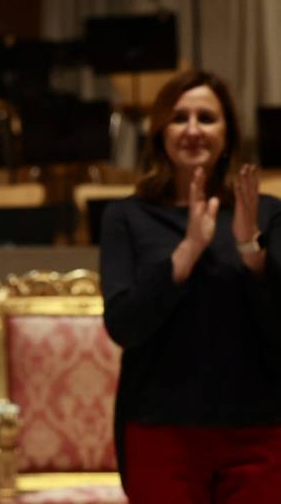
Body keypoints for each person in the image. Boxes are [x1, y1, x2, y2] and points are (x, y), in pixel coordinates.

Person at [100, 69, 281, 502]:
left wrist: (247, 245)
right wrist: (188, 251)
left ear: (228, 133)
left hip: (259, 427)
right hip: (161, 429)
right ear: (161, 132)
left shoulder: (267, 213)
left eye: (207, 117)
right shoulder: (127, 217)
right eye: (180, 117)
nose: (194, 130)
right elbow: (123, 325)